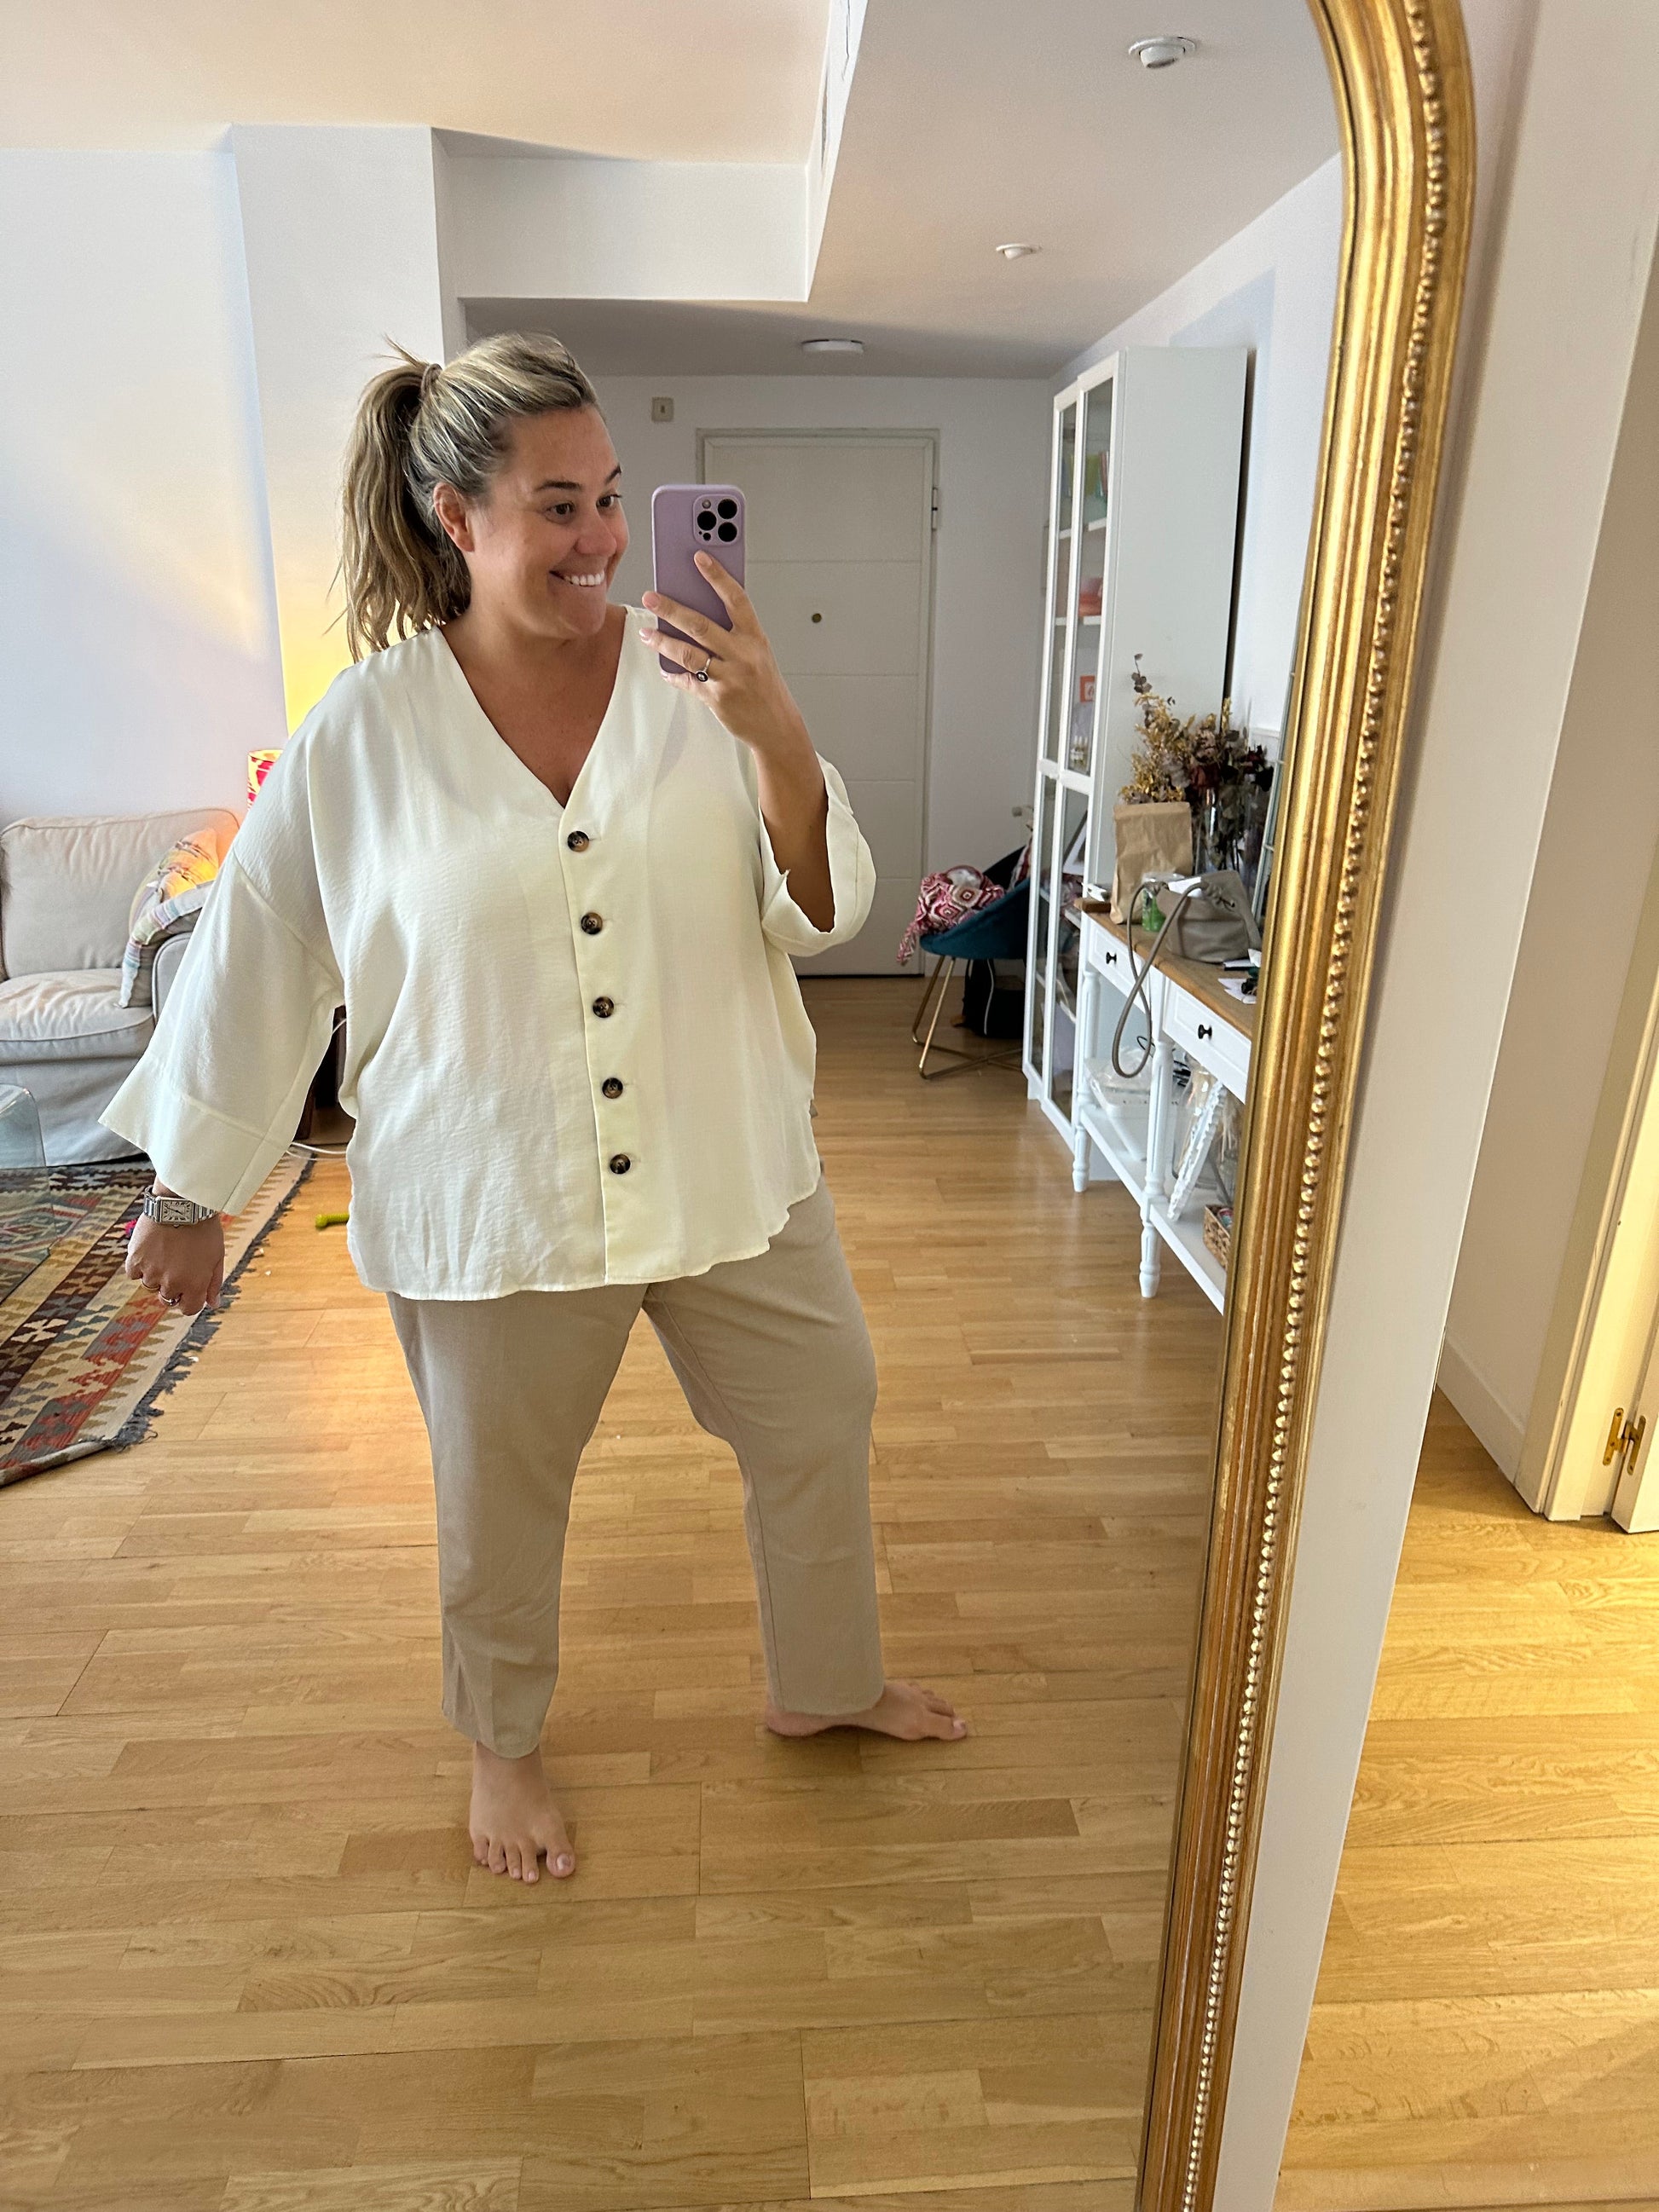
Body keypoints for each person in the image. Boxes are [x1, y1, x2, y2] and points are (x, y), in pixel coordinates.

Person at [104, 332, 967, 1887]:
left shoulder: (697, 685)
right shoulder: (364, 732)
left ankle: (825, 1681)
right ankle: (501, 1747)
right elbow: (261, 954)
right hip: (487, 1187)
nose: (603, 539)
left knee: (819, 1408)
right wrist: (186, 1195)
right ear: (457, 516)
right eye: (558, 506)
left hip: (725, 1158)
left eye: (613, 498)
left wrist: (774, 727)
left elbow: (820, 911)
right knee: (497, 1497)